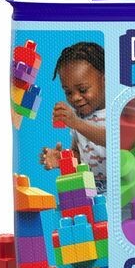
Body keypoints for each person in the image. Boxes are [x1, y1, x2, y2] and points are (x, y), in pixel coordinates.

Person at [39, 42, 107, 192]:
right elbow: (80, 152)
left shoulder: (116, 111)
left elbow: (113, 139)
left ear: (105, 80)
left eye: (82, 89)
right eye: (68, 92)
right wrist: (63, 159)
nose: (75, 98)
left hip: (120, 185)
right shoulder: (78, 115)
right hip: (92, 187)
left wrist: (76, 123)